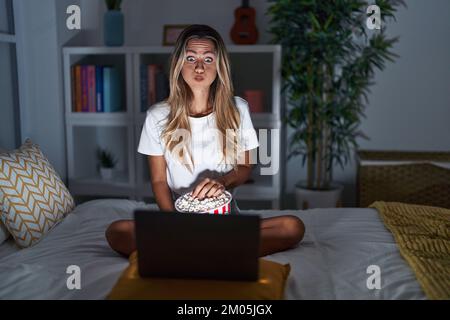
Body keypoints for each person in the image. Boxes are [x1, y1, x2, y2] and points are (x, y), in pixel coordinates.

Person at [105, 25, 304, 257]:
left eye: (208, 59)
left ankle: (193, 251)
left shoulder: (237, 109)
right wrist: (173, 223)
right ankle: (215, 250)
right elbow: (159, 181)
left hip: (225, 218)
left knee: (292, 227)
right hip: (178, 218)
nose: (199, 66)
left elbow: (245, 167)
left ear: (219, 67)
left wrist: (222, 181)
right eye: (191, 58)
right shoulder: (157, 116)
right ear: (179, 64)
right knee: (117, 232)